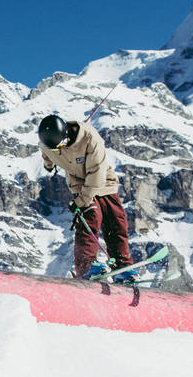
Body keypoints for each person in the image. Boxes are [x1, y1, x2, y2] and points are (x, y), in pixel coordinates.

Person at [37, 114, 135, 281]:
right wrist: (49, 165)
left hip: (103, 180)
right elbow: (46, 153)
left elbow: (96, 174)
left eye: (60, 146)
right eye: (54, 149)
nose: (59, 151)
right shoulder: (49, 145)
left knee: (116, 221)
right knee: (90, 217)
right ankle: (86, 266)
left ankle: (122, 265)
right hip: (78, 183)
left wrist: (80, 201)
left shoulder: (90, 139)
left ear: (66, 133)